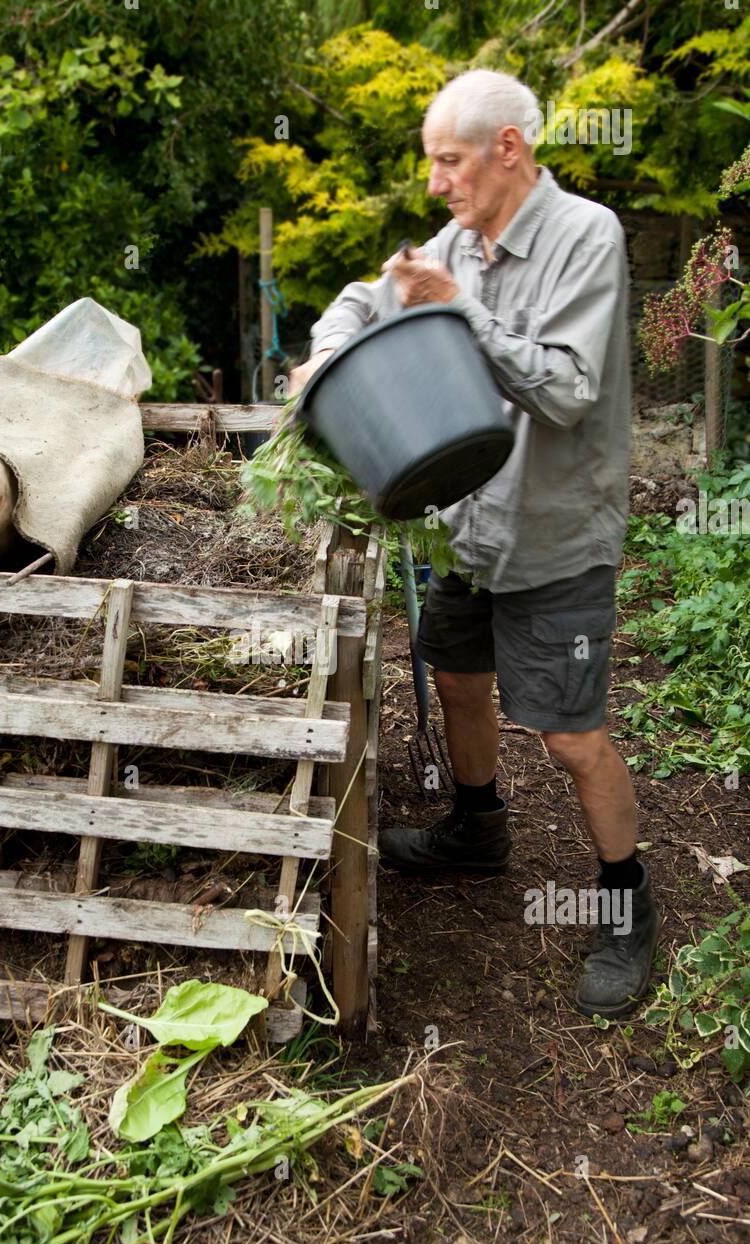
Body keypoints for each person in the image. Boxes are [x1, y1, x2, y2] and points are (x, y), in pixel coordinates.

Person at [288, 69, 659, 1020]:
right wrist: (329, 350)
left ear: (507, 149)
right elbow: (369, 301)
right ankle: (477, 828)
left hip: (558, 531)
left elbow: (568, 392)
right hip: (469, 523)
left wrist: (461, 307)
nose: (436, 185)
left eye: (448, 161)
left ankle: (625, 902)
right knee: (458, 680)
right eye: (431, 165)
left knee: (572, 734)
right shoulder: (455, 241)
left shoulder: (587, 238)